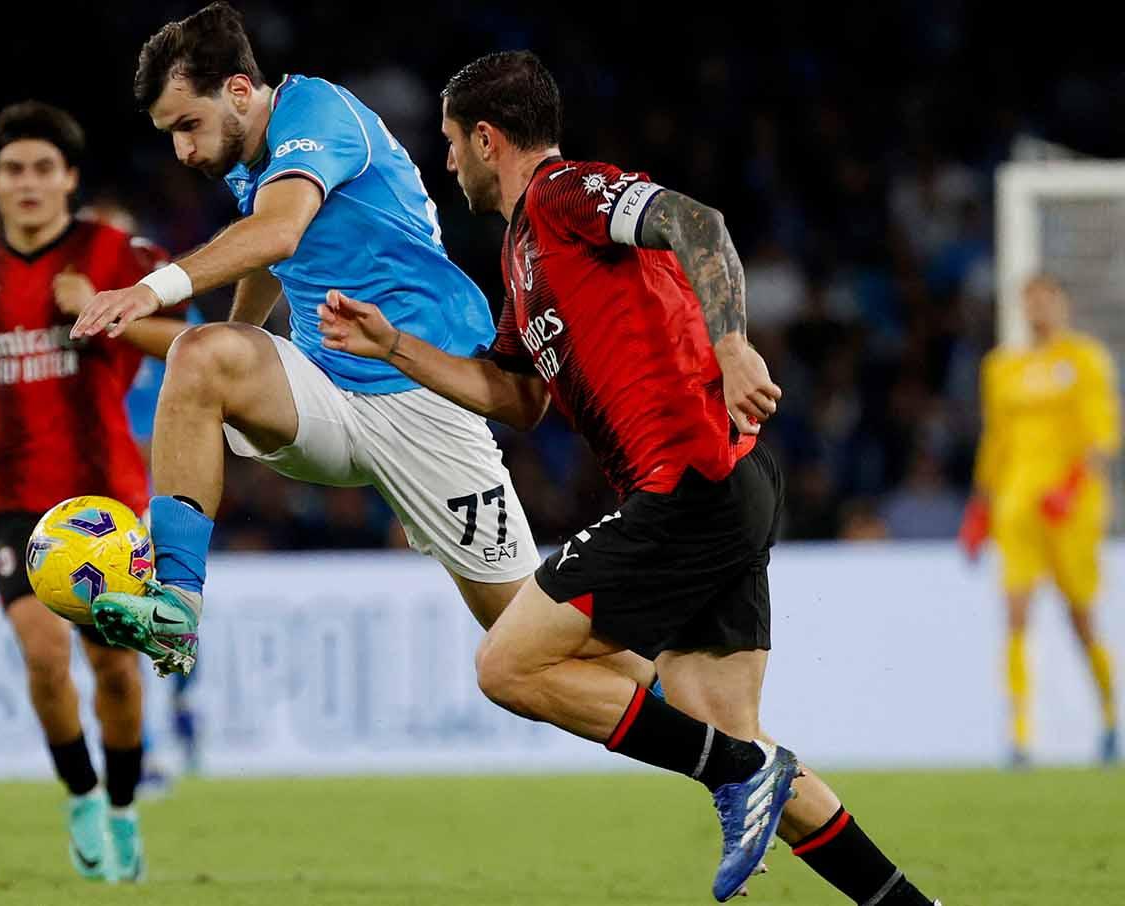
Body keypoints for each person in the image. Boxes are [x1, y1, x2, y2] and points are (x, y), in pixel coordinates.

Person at [318, 52, 942, 905]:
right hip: (721, 492)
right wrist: (395, 349)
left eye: (453, 141)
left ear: (488, 136)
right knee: (733, 741)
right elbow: (517, 398)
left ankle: (740, 771)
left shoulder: (565, 194)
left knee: (508, 666)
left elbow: (697, 223)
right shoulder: (521, 254)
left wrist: (731, 345)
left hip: (688, 483)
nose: (449, 159)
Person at [69, 3, 653, 697]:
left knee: (530, 648)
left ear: (237, 91)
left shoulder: (318, 114)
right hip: (328, 384)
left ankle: (711, 730)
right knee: (200, 354)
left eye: (187, 126)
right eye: (170, 135)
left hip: (424, 395)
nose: (183, 151)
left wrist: (150, 288)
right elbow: (267, 245)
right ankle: (178, 605)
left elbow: (279, 232)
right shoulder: (249, 156)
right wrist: (237, 342)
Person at [0, 102, 184, 883]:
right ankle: (81, 796)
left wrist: (102, 311)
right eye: (12, 170)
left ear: (69, 179)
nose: (27, 183)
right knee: (40, 653)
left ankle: (125, 809)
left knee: (117, 674)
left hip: (105, 499)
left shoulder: (118, 253)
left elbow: (187, 341)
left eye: (42, 169)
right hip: (10, 489)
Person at [961, 274, 1119, 766]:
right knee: (1016, 614)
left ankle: (1111, 719)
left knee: (1081, 618)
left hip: (1072, 508)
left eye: (1047, 299)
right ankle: (1021, 737)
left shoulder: (1084, 359)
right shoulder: (1002, 367)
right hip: (1017, 506)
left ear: (1063, 304)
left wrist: (1071, 488)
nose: (1038, 309)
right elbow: (996, 440)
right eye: (1030, 300)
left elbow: (1102, 434)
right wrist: (981, 506)